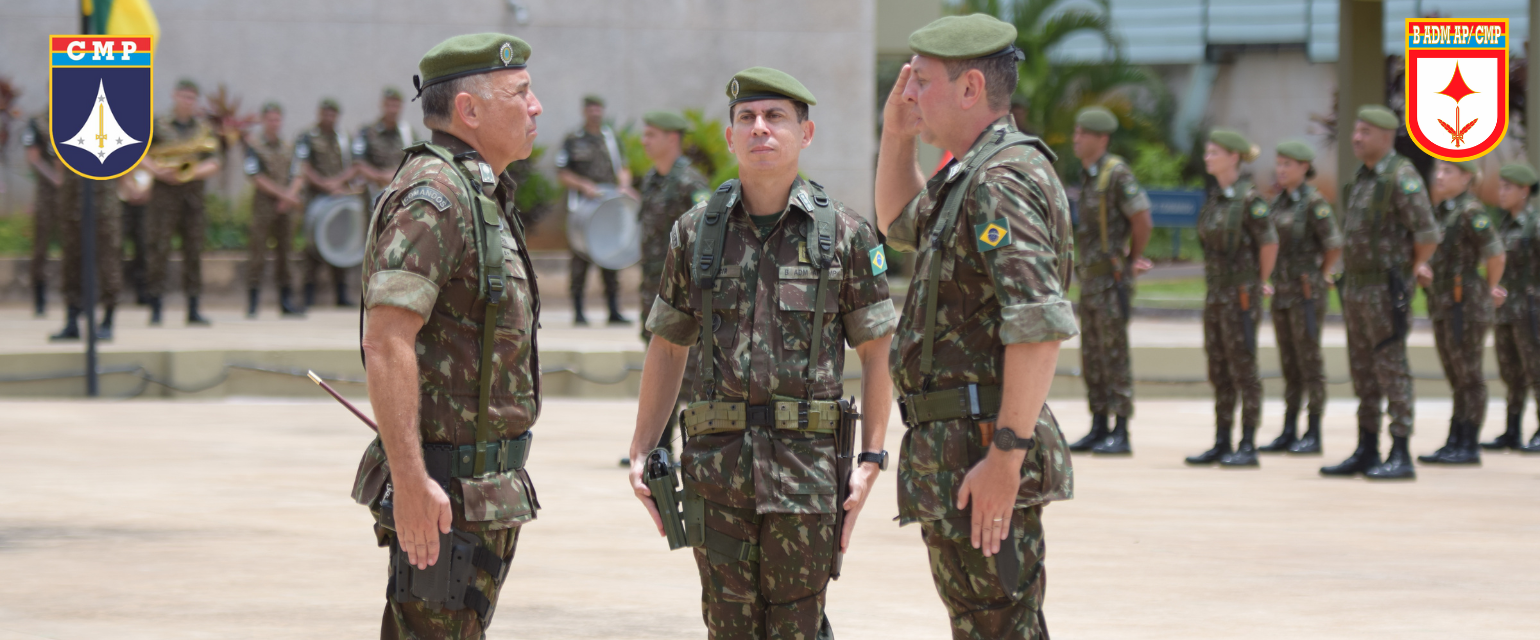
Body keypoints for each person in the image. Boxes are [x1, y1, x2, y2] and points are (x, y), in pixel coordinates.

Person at [628, 67, 896, 639]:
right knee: (728, 628)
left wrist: (872, 458)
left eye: (776, 117)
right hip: (715, 471)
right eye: (746, 118)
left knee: (798, 627)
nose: (760, 129)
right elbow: (669, 344)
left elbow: (878, 351)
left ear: (806, 133)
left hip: (807, 476)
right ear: (729, 137)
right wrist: (641, 449)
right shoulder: (695, 233)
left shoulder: (844, 236)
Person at [876, 14, 1076, 638]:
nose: (909, 93)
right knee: (983, 624)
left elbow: (1037, 325)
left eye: (921, 82)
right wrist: (896, 136)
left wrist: (1006, 458)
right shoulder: (972, 171)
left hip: (983, 445)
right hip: (959, 446)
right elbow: (898, 224)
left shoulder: (1001, 179)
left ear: (969, 90)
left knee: (1000, 626)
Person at [356, 33, 544, 639]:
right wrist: (411, 483)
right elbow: (386, 342)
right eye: (520, 93)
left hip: (479, 495)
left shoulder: (476, 192)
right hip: (445, 494)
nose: (536, 106)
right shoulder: (436, 200)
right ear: (469, 111)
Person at [1321, 105, 1438, 480]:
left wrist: (1406, 271)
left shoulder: (1400, 177)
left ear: (1386, 137)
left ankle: (1400, 451)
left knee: (1391, 368)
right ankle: (1367, 448)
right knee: (1363, 370)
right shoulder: (1361, 178)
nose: (1356, 138)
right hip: (1356, 288)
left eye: (1365, 132)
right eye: (1356, 131)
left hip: (1385, 289)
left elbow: (1427, 235)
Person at [1184, 129, 1278, 468]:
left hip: (1240, 294)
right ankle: (1222, 440)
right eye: (1207, 152)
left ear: (1234, 157)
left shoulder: (1249, 200)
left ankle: (1248, 443)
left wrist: (1259, 282)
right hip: (1217, 294)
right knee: (1219, 367)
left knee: (1243, 367)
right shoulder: (1216, 198)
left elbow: (1269, 244)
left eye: (1214, 152)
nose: (1207, 157)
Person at [1066, 105, 1151, 455]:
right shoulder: (1089, 175)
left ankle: (1121, 428)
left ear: (1102, 138)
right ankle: (1099, 424)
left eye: (1083, 133)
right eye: (1076, 132)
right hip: (1091, 282)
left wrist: (1132, 258)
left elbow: (1142, 218)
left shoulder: (1116, 174)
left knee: (1114, 355)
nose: (1076, 138)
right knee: (1093, 355)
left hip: (1111, 280)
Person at [1417, 160, 1505, 465]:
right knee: (1456, 374)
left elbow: (1495, 253)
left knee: (1469, 375)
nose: (1439, 176)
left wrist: (1487, 288)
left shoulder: (1471, 212)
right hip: (1445, 303)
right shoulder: (1444, 212)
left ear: (1467, 178)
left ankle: (1469, 443)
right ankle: (1455, 439)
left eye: (1448, 171)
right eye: (1438, 170)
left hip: (1465, 305)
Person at [634, 109, 708, 459]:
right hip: (653, 291)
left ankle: (697, 446)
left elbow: (706, 239)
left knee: (690, 373)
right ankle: (658, 448)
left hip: (684, 297)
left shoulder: (690, 184)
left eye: (651, 134)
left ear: (672, 139)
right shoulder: (651, 179)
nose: (644, 141)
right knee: (658, 367)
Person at [1260, 140, 1341, 454]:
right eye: (1279, 164)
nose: (1281, 170)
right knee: (1289, 362)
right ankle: (1289, 428)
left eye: (1287, 165)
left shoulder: (1313, 203)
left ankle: (1314, 432)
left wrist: (1323, 271)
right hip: (1282, 292)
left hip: (1306, 292)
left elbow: (1333, 243)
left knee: (1310, 361)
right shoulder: (1278, 202)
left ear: (1304, 168)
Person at [143, 78, 220, 326]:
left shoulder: (203, 128)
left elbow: (215, 162)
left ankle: (193, 307)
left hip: (192, 196)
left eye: (191, 97)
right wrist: (156, 171)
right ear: (174, 96)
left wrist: (189, 173)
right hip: (164, 195)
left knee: (194, 250)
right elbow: (137, 152)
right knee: (159, 248)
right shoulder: (158, 125)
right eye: (183, 96)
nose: (187, 101)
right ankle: (155, 306)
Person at [555, 94, 633, 326]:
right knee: (580, 259)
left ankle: (613, 310)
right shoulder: (573, 139)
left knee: (610, 256)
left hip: (609, 207)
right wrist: (584, 185)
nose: (595, 113)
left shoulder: (611, 138)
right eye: (591, 109)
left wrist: (624, 186)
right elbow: (562, 173)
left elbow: (624, 168)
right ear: (585, 112)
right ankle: (578, 311)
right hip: (584, 208)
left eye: (599, 109)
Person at [1484, 163, 1540, 452]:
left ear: (1524, 190)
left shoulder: (1535, 223)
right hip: (1506, 310)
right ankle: (1512, 430)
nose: (1501, 192)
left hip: (1531, 309)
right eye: (1501, 186)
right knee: (1511, 371)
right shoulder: (1504, 224)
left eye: (1508, 188)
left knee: (1536, 369)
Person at [243, 102, 305, 318]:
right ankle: (252, 302)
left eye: (277, 119)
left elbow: (298, 173)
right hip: (264, 207)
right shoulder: (254, 145)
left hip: (285, 208)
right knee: (257, 253)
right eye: (270, 119)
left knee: (285, 254)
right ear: (263, 121)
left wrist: (289, 197)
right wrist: (284, 195)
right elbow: (256, 176)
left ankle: (286, 301)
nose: (274, 123)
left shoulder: (289, 146)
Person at [49, 171, 124, 341]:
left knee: (107, 261)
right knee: (71, 260)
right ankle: (72, 321)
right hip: (72, 197)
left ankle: (107, 321)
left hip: (103, 199)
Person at [297, 98, 356, 309]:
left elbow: (354, 165)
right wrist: (323, 184)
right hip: (316, 199)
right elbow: (303, 166)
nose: (329, 117)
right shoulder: (307, 137)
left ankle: (341, 294)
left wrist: (338, 183)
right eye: (326, 113)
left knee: (339, 244)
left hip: (339, 199)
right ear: (319, 113)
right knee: (312, 249)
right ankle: (308, 295)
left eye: (333, 114)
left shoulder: (344, 138)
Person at [22, 111, 63, 318]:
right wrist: (55, 178)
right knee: (41, 245)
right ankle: (40, 297)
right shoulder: (38, 121)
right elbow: (33, 158)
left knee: (77, 245)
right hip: (47, 193)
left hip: (74, 192)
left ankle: (75, 298)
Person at [352, 87, 418, 199]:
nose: (392, 110)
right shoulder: (367, 132)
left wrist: (398, 175)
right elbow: (358, 163)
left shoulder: (407, 132)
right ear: (382, 105)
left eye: (396, 106)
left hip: (402, 188)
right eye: (389, 105)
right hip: (374, 190)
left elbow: (418, 159)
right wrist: (380, 177)